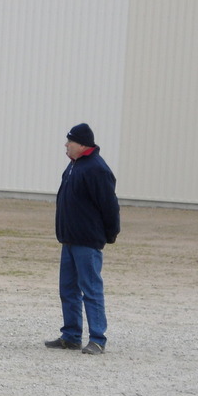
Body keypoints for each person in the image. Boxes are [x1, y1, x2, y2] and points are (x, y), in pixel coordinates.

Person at [45, 123, 120, 355]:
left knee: (91, 290)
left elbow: (109, 206)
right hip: (69, 240)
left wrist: (110, 233)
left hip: (87, 241)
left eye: (70, 142)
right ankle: (71, 336)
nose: (66, 145)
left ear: (82, 144)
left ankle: (97, 339)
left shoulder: (96, 169)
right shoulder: (74, 166)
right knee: (67, 290)